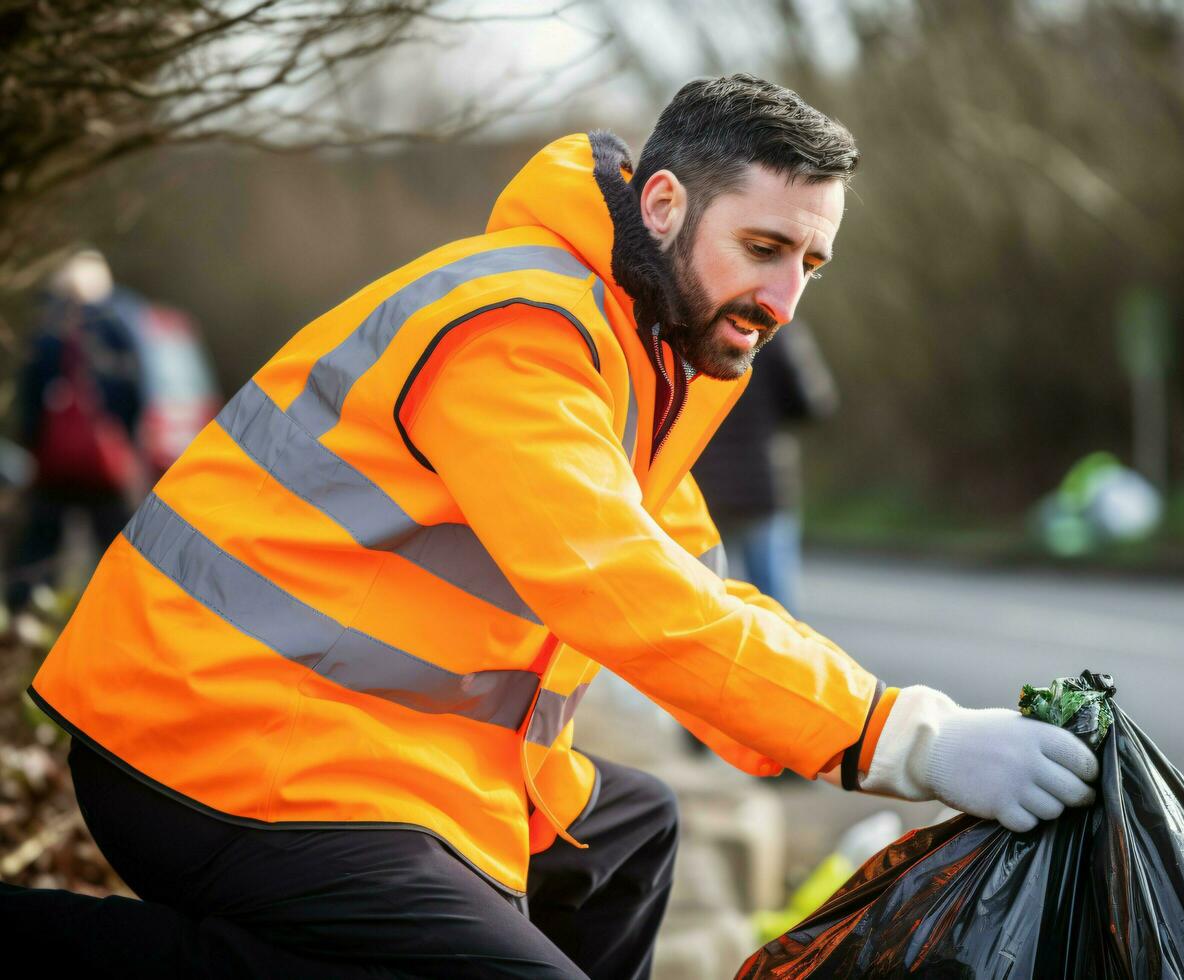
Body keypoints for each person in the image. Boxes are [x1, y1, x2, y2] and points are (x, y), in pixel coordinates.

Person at [6, 75, 1099, 977]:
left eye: (809, 262)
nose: (783, 298)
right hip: (210, 741)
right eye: (764, 246)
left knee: (627, 834)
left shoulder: (645, 351)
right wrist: (902, 739)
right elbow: (620, 587)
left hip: (362, 746)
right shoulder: (521, 331)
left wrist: (891, 729)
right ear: (664, 205)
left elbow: (704, 597)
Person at [3, 250, 145, 621]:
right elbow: (135, 395)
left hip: (55, 467)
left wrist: (37, 448)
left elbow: (30, 400)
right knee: (118, 548)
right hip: (103, 468)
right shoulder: (118, 331)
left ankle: (23, 620)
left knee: (38, 549)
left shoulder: (49, 334)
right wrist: (122, 441)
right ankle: (123, 618)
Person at [693, 320, 836, 614]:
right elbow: (814, 403)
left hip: (701, 487)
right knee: (776, 608)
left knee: (703, 602)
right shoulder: (777, 331)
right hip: (761, 485)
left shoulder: (694, 322)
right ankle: (783, 660)